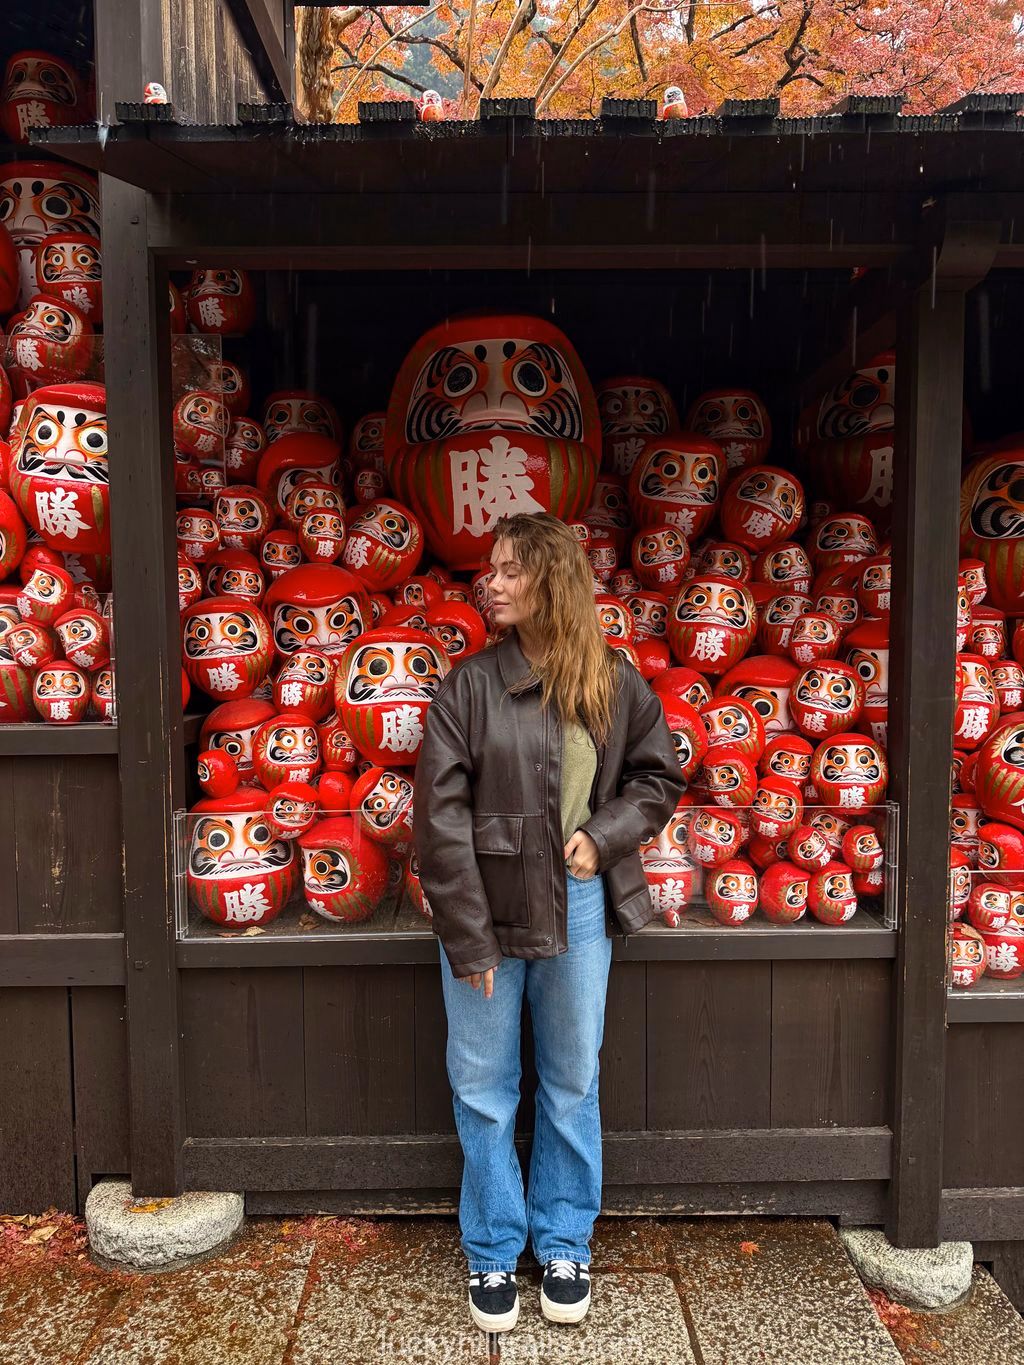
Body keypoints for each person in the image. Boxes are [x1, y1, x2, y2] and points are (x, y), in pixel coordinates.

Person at [413, 511, 685, 1334]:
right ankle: (494, 1248)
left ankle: (565, 1239)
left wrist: (601, 840)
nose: (488, 581)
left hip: (581, 903)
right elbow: (438, 822)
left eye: (506, 569)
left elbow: (658, 777)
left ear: (551, 581)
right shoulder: (467, 687)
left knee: (571, 1079)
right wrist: (468, 936)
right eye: (488, 569)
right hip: (486, 910)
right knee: (484, 1086)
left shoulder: (612, 680)